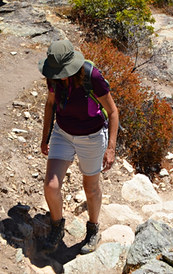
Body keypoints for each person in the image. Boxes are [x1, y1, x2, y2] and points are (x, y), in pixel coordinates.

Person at [37, 39, 119, 254]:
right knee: (51, 186)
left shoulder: (91, 76)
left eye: (63, 71)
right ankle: (57, 225)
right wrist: (45, 136)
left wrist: (111, 147)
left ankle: (93, 229)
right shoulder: (53, 76)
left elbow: (112, 112)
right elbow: (50, 104)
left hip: (91, 136)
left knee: (90, 188)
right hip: (62, 133)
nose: (60, 75)